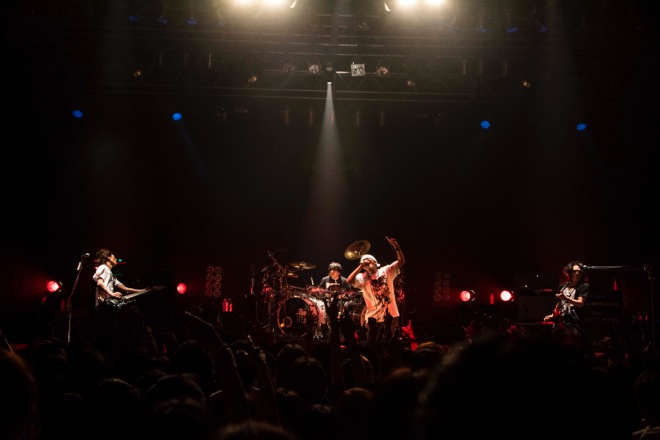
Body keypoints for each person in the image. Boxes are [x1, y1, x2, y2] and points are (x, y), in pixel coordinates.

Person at [347, 237, 404, 343]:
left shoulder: (386, 270)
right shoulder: (362, 277)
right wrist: (360, 266)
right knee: (372, 342)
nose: (366, 264)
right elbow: (349, 280)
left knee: (389, 342)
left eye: (368, 262)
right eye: (364, 264)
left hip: (390, 315)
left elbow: (401, 261)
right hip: (372, 317)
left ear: (374, 262)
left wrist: (397, 247)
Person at [543, 260, 590, 353]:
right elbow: (560, 302)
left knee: (573, 347)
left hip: (574, 322)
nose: (577, 273)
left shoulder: (584, 286)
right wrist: (553, 314)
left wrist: (566, 298)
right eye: (575, 271)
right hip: (561, 321)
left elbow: (580, 303)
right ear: (569, 272)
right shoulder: (563, 286)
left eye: (579, 271)